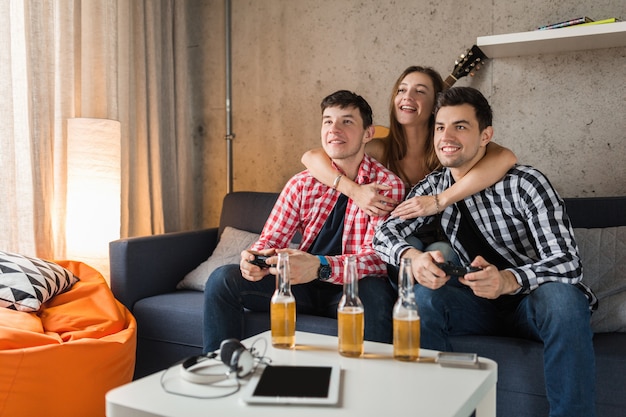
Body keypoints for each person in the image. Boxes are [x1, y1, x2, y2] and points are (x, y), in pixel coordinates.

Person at [374, 86, 597, 417]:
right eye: (440, 127)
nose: (446, 136)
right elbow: (384, 233)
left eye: (460, 126)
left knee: (564, 299)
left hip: (531, 304)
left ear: (485, 135)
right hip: (477, 304)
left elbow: (568, 263)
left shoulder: (526, 184)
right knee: (422, 300)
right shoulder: (433, 186)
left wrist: (508, 280)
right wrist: (414, 259)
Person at [203, 90, 405, 352]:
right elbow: (270, 241)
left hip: (349, 287)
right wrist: (255, 261)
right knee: (222, 279)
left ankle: (375, 383)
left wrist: (320, 266)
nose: (334, 129)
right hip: (300, 284)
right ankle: (223, 368)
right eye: (328, 121)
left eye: (346, 121)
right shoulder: (302, 183)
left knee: (376, 294)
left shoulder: (387, 186)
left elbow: (378, 260)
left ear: (368, 133)